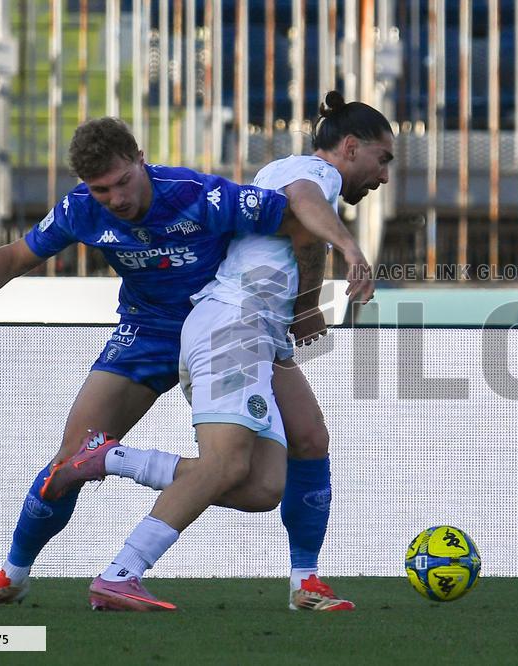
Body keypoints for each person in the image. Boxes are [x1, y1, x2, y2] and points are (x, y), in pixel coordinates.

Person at [0, 116, 372, 610]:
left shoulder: (195, 193)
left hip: (226, 322)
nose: (117, 199)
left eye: (124, 181)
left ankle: (305, 580)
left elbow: (295, 214)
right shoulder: (81, 211)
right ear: (87, 188)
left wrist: (313, 292)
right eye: (102, 191)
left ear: (141, 160)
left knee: (306, 441)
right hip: (148, 334)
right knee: (69, 458)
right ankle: (13, 574)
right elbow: (17, 255)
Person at [43, 91, 394, 611]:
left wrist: (304, 308)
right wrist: (351, 249)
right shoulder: (312, 173)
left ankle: (305, 582)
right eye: (383, 158)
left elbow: (301, 241)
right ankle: (121, 565)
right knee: (227, 465)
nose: (384, 174)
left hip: (259, 332)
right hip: (233, 325)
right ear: (349, 146)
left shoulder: (305, 182)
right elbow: (303, 199)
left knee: (280, 469)